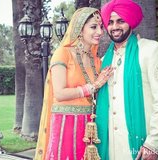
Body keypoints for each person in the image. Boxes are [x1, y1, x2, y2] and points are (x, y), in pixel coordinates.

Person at [95, 0, 158, 160]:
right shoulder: (104, 60)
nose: (114, 27)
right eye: (110, 22)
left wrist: (154, 144)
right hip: (111, 147)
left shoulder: (152, 50)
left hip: (144, 147)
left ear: (130, 21)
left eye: (120, 21)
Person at [34, 7, 113, 160]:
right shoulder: (63, 53)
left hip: (89, 126)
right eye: (93, 27)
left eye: (101, 27)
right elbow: (60, 93)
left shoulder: (96, 60)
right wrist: (94, 86)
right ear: (79, 28)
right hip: (65, 123)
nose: (100, 32)